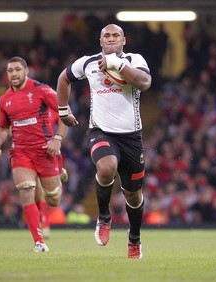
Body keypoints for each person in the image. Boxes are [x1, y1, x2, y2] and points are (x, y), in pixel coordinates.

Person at [56, 24, 152, 259]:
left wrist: (117, 64)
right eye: (106, 36)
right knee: (107, 167)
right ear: (100, 41)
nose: (111, 38)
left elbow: (144, 83)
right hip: (101, 132)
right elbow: (63, 78)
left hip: (131, 137)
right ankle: (103, 217)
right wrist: (61, 110)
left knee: (133, 195)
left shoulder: (133, 59)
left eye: (115, 35)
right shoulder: (88, 63)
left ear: (124, 40)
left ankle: (135, 239)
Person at [0, 56, 68, 252]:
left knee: (53, 199)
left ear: (27, 71)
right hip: (20, 153)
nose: (14, 73)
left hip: (45, 151)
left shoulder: (41, 90)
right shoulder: (5, 99)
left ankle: (58, 171)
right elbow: (2, 128)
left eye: (18, 69)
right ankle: (39, 242)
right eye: (10, 70)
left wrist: (57, 139)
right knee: (26, 190)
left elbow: (64, 112)